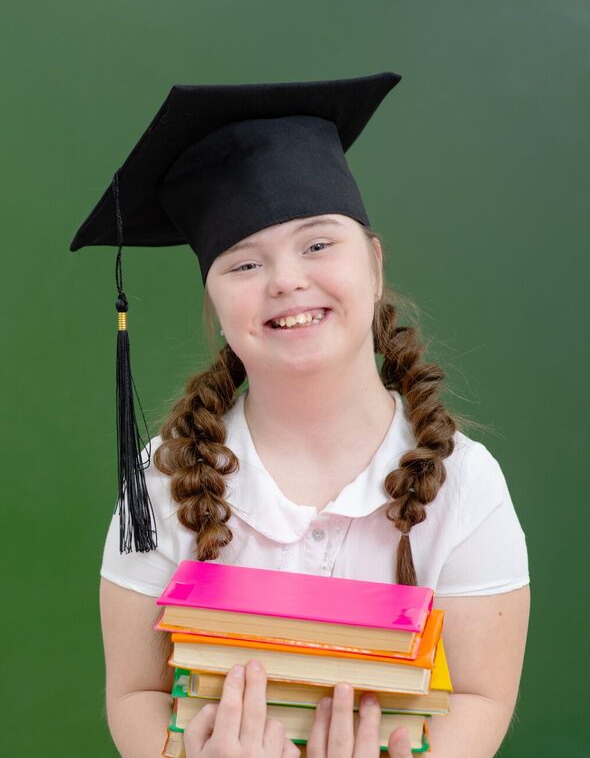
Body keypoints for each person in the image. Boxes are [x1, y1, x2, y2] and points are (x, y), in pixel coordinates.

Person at [71, 73, 530, 758]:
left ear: (373, 265)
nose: (286, 280)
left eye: (318, 245)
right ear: (216, 306)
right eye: (244, 263)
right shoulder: (165, 483)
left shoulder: (464, 486)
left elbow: (480, 696)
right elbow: (134, 694)